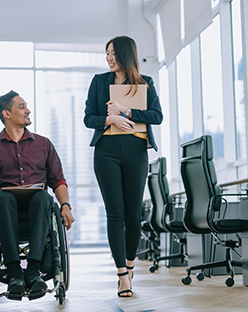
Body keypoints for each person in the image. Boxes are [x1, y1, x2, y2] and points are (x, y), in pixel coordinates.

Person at [0, 90, 75, 299]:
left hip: (38, 210)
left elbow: (58, 180)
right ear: (7, 114)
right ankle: (14, 271)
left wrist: (65, 206)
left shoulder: (44, 144)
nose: (28, 111)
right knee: (4, 197)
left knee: (43, 196)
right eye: (22, 106)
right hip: (5, 212)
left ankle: (33, 271)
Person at [83, 36, 163, 297]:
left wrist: (126, 111)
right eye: (107, 53)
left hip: (136, 150)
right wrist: (111, 118)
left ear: (127, 55)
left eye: (113, 53)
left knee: (133, 215)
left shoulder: (145, 83)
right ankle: (121, 276)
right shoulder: (99, 82)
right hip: (106, 151)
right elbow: (88, 118)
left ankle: (130, 266)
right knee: (115, 213)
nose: (109, 58)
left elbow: (157, 116)